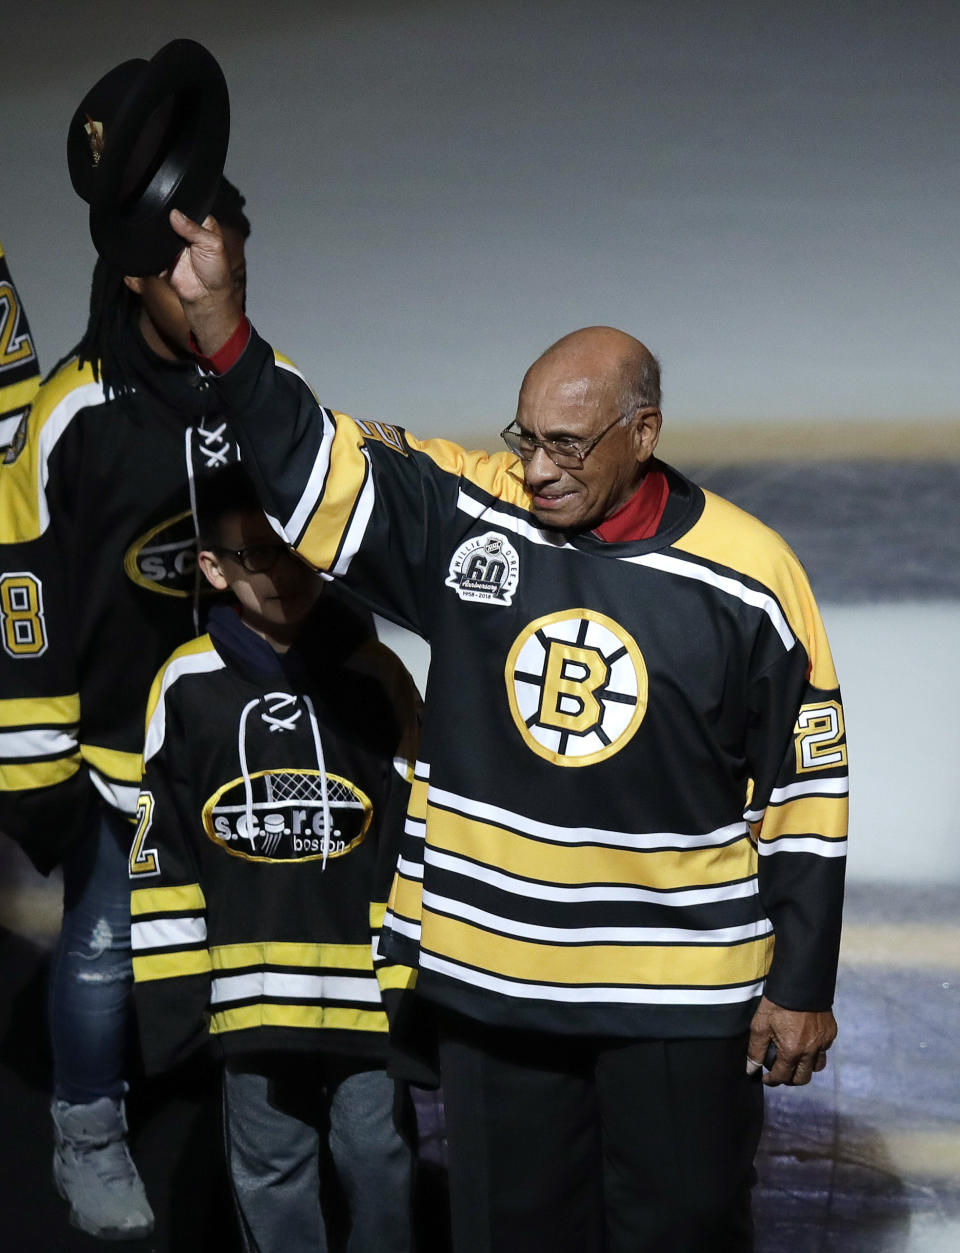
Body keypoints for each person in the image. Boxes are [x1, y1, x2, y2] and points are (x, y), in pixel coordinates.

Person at [165, 210, 848, 1253]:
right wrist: (222, 320)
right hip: (497, 986)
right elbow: (312, 461)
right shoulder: (471, 518)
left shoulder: (751, 576)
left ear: (645, 431)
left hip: (677, 998)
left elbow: (807, 792)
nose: (536, 468)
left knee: (685, 1228)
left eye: (567, 444)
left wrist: (799, 984)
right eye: (524, 436)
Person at [0, 179, 271, 1241]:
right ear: (135, 278)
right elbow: (28, 595)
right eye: (192, 269)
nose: (215, 289)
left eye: (234, 271)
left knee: (243, 929)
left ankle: (242, 1093)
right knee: (104, 936)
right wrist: (36, 761)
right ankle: (87, 1126)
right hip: (116, 748)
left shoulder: (262, 383)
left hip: (237, 737)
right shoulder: (71, 414)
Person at [131, 462, 420, 1253]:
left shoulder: (377, 678)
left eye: (297, 550)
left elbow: (411, 831)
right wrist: (174, 997)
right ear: (214, 568)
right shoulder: (185, 686)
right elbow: (165, 853)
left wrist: (406, 966)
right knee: (271, 1171)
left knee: (379, 1159)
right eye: (256, 556)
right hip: (248, 994)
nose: (283, 573)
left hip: (367, 991)